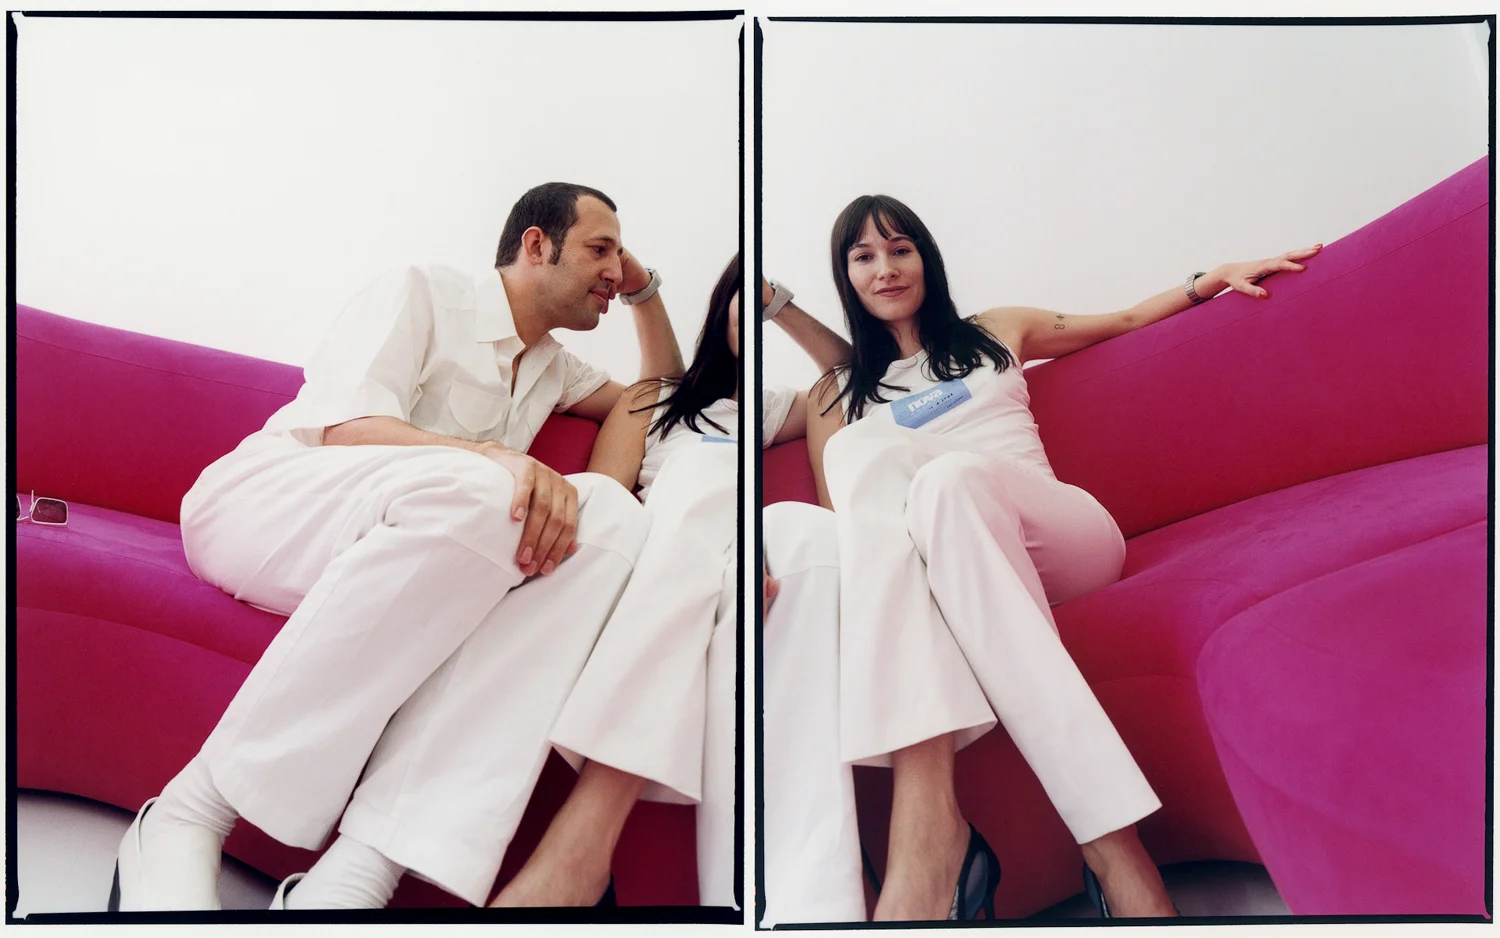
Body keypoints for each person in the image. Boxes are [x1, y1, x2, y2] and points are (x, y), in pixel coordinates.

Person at [110, 182, 689, 911]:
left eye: (619, 256)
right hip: (270, 506)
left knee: (611, 518)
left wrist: (643, 291)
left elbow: (663, 395)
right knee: (487, 487)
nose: (612, 268)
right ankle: (188, 813)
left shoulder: (555, 368)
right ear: (536, 245)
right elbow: (347, 427)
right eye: (600, 249)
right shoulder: (424, 293)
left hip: (415, 549)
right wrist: (494, 457)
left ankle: (357, 873)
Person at [767, 192, 1320, 922]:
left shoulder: (994, 330)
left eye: (900, 249)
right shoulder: (838, 394)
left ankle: (927, 832)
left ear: (926, 259)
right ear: (846, 277)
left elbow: (1124, 321)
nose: (886, 269)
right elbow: (856, 533)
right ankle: (1114, 854)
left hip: (1062, 537)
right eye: (864, 257)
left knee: (938, 470)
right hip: (961, 569)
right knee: (935, 483)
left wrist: (1207, 280)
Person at [488, 256, 850, 909]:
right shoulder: (652, 400)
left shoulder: (768, 409)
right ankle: (586, 852)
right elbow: (604, 505)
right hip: (655, 557)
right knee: (705, 483)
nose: (758, 313)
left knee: (776, 548)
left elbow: (845, 380)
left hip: (739, 571)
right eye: (746, 300)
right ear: (720, 310)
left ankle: (766, 903)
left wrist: (782, 307)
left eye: (767, 305)